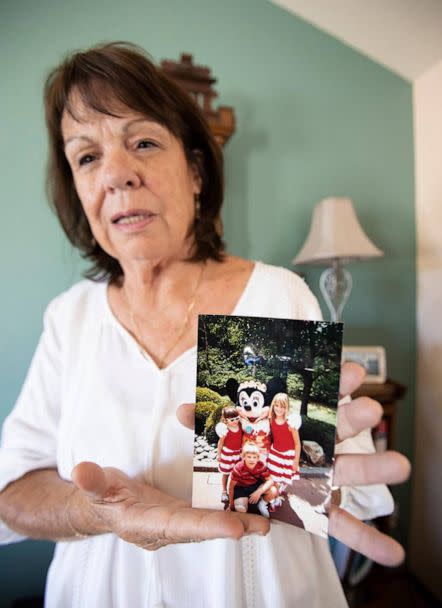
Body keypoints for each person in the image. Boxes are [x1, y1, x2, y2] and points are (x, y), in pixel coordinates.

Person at [0, 42, 410, 608]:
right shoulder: (70, 316)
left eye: (143, 142)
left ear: (195, 172)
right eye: (87, 157)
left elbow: (333, 490)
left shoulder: (269, 297)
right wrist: (93, 511)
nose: (118, 174)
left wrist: (308, 480)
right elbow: (13, 489)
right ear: (76, 188)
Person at [228, 443, 278, 518]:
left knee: (273, 490)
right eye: (249, 457)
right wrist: (231, 505)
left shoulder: (260, 465)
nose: (252, 460)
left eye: (254, 457)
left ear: (258, 458)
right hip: (242, 489)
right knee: (241, 509)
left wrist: (259, 491)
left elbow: (270, 481)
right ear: (243, 457)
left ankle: (262, 504)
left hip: (255, 486)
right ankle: (246, 503)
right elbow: (231, 486)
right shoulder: (238, 468)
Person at [267, 393, 302, 485]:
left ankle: (279, 492)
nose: (279, 409)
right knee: (274, 476)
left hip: (288, 455)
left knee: (284, 477)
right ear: (273, 405)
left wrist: (296, 461)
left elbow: (297, 444)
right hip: (275, 452)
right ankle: (275, 493)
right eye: (276, 405)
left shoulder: (291, 423)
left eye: (282, 406)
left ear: (287, 407)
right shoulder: (271, 419)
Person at [216, 405, 243, 504]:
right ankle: (224, 491)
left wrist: (252, 429)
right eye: (232, 420)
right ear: (226, 420)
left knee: (237, 474)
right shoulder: (225, 430)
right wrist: (219, 454)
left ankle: (235, 490)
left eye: (237, 418)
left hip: (238, 454)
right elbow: (221, 443)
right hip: (227, 454)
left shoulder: (240, 426)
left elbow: (248, 431)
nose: (235, 421)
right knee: (226, 474)